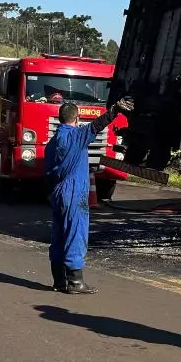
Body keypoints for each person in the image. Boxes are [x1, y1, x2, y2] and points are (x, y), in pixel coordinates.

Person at [45, 96, 134, 294]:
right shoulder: (77, 136)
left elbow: (47, 171)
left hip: (58, 192)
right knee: (76, 233)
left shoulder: (53, 142)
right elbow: (96, 126)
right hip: (74, 192)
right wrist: (114, 110)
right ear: (76, 120)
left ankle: (59, 281)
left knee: (59, 235)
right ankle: (75, 282)